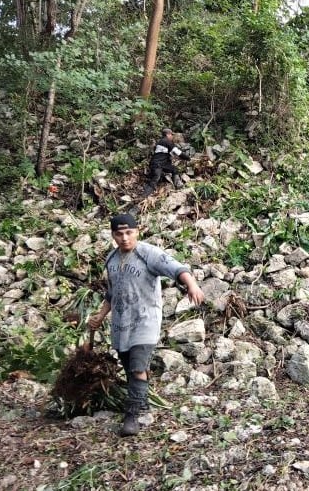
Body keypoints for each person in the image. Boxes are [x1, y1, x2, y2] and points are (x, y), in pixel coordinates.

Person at [87, 214, 204, 436]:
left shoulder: (148, 254)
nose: (124, 238)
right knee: (130, 366)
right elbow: (111, 293)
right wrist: (101, 315)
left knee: (138, 366)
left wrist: (192, 285)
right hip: (122, 323)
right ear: (112, 235)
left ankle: (132, 417)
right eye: (119, 234)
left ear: (137, 231)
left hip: (145, 320)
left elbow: (177, 268)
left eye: (129, 232)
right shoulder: (111, 260)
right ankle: (143, 403)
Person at [142, 128, 190, 197]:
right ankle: (144, 195)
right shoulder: (167, 141)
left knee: (174, 169)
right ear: (168, 134)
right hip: (157, 164)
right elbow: (178, 152)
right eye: (171, 135)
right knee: (156, 178)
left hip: (161, 164)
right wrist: (188, 158)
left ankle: (178, 185)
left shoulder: (161, 142)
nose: (172, 136)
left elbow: (169, 153)